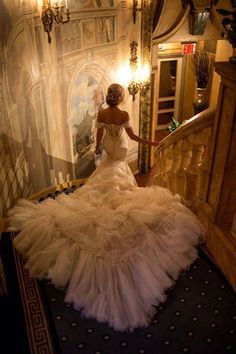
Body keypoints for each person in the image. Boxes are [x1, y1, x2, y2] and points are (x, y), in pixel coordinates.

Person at [8, 83, 204, 332]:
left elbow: (99, 138)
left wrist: (99, 147)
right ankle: (118, 204)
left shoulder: (101, 113)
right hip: (120, 150)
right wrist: (152, 142)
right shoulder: (123, 115)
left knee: (102, 185)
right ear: (121, 97)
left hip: (111, 152)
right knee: (123, 188)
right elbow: (132, 138)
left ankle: (111, 202)